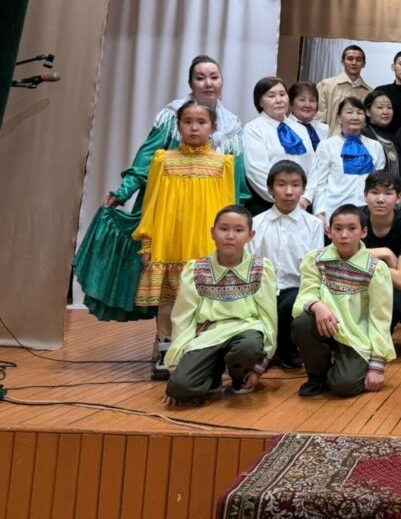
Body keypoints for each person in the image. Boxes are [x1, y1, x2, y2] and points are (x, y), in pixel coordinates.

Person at [75, 55, 247, 323]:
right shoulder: (172, 116)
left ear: (222, 81)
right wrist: (125, 190)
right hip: (171, 210)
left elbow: (237, 182)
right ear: (190, 83)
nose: (208, 83)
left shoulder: (231, 124)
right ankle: (165, 341)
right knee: (168, 290)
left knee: (205, 291)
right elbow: (147, 158)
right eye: (200, 77)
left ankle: (199, 342)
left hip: (206, 216)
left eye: (214, 77)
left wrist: (237, 222)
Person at [134, 100, 239, 379]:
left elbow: (228, 209)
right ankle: (165, 349)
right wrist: (148, 241)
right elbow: (151, 204)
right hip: (169, 240)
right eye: (187, 122)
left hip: (204, 243)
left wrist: (228, 243)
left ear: (213, 127)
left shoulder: (223, 164)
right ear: (178, 126)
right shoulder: (163, 160)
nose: (194, 127)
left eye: (201, 122)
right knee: (168, 301)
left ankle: (197, 352)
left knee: (204, 302)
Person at [164, 205, 277, 405]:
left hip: (246, 329)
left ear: (250, 235)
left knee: (248, 346)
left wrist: (260, 366)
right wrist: (175, 364)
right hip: (208, 335)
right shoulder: (196, 269)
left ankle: (240, 378)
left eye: (239, 230)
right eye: (224, 229)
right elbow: (183, 317)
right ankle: (212, 375)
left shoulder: (261, 268)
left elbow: (268, 317)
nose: (230, 236)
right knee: (180, 388)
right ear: (212, 233)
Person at [291, 204, 395, 397]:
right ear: (329, 232)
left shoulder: (376, 268)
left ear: (364, 232)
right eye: (338, 229)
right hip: (326, 327)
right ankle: (317, 376)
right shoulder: (315, 259)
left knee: (345, 386)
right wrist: (318, 306)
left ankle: (342, 368)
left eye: (352, 228)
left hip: (356, 336)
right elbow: (305, 295)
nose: (344, 235)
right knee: (303, 321)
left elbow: (380, 317)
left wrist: (377, 365)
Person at [248, 161, 324, 370]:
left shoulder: (314, 225)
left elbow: (314, 267)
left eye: (295, 185)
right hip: (262, 290)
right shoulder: (255, 223)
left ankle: (285, 350)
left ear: (303, 189)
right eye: (281, 185)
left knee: (293, 301)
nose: (289, 192)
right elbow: (249, 264)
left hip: (297, 291)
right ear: (270, 189)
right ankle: (266, 349)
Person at [361, 171, 401, 332]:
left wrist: (363, 259)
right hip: (358, 282)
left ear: (398, 198)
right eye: (375, 192)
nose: (380, 199)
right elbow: (346, 259)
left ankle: (382, 337)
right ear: (365, 195)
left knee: (396, 302)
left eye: (388, 193)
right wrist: (386, 253)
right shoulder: (356, 218)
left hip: (393, 286)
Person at [243, 76, 315, 214]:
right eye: (271, 96)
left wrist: (306, 198)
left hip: (302, 206)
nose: (279, 100)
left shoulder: (300, 129)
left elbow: (313, 167)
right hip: (268, 205)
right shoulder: (253, 129)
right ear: (260, 102)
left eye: (282, 94)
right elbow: (256, 171)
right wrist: (284, 199)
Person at [310, 96, 386, 225]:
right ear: (339, 118)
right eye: (349, 112)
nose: (355, 117)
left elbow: (379, 183)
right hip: (334, 210)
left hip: (367, 212)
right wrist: (320, 213)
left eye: (359, 113)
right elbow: (320, 183)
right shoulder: (326, 146)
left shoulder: (376, 146)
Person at [316, 44, 372, 136]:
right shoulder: (326, 85)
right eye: (350, 59)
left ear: (364, 64)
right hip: (330, 140)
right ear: (342, 62)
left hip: (358, 142)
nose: (354, 63)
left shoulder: (369, 93)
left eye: (358, 59)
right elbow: (318, 119)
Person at [362, 90, 401, 180]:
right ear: (368, 111)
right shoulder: (362, 135)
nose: (386, 112)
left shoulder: (395, 137)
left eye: (389, 107)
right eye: (380, 107)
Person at [288, 81, 329, 151]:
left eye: (312, 100)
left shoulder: (324, 129)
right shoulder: (284, 129)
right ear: (291, 103)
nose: (307, 105)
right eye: (302, 100)